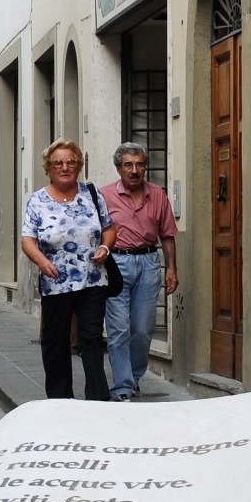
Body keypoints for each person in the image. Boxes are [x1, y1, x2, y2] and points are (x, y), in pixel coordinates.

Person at [20, 139, 116, 401]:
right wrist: (41, 261)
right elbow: (27, 239)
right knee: (56, 340)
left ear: (79, 166)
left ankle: (98, 398)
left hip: (93, 278)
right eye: (58, 163)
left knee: (92, 337)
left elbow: (108, 229)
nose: (65, 167)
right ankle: (60, 399)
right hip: (56, 280)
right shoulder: (37, 201)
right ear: (48, 169)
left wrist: (105, 249)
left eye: (71, 162)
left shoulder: (92, 194)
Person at [100, 143, 180, 402]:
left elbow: (167, 235)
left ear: (146, 166)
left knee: (143, 329)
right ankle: (122, 386)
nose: (135, 170)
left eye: (140, 164)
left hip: (148, 262)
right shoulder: (104, 196)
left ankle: (134, 376)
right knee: (118, 328)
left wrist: (172, 270)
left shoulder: (157, 195)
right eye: (128, 165)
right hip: (116, 263)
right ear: (118, 168)